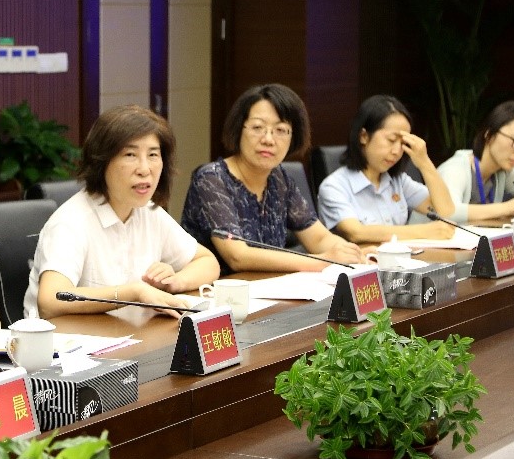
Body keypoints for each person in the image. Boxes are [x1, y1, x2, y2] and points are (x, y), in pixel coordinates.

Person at [26, 105, 219, 319]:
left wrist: (175, 281)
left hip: (133, 334)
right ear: (101, 161)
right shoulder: (71, 221)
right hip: (71, 338)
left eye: (153, 155)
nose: (144, 169)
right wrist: (134, 293)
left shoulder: (149, 211)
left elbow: (207, 262)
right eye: (130, 154)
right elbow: (51, 300)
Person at [182, 84, 365, 274]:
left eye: (280, 130)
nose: (268, 139)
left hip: (270, 286)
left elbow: (319, 238)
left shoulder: (279, 180)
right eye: (257, 127)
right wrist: (324, 261)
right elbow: (238, 256)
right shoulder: (211, 179)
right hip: (217, 289)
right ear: (239, 129)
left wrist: (351, 253)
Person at [317, 95, 455, 242]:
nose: (397, 151)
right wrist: (424, 231)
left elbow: (445, 211)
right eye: (391, 140)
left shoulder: (398, 181)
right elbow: (356, 233)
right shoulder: (334, 186)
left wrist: (424, 162)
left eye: (402, 143)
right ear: (363, 136)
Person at [436, 101, 514, 223]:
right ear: (489, 135)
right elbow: (449, 212)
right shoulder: (455, 169)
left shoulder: (504, 171)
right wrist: (510, 207)